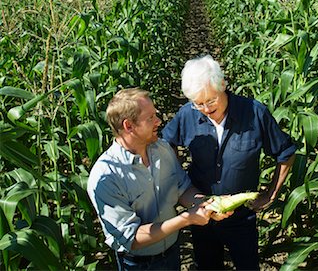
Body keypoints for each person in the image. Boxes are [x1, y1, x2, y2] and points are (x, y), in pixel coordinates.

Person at [162, 55, 297, 270]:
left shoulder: (254, 113)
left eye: (211, 101)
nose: (206, 109)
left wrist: (270, 194)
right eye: (198, 104)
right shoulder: (186, 115)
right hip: (202, 217)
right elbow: (166, 142)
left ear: (223, 85)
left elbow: (286, 153)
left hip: (241, 219)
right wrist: (179, 180)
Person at [87, 88, 229, 271]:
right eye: (150, 118)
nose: (158, 121)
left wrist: (208, 204)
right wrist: (187, 219)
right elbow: (133, 238)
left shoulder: (161, 149)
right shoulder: (106, 177)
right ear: (128, 126)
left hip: (171, 253)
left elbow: (182, 189)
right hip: (138, 264)